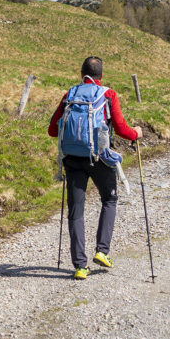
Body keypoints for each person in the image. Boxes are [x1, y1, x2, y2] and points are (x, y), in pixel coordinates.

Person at [48, 56, 142, 280]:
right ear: (101, 76)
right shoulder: (108, 94)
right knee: (109, 200)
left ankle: (80, 267)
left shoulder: (70, 94)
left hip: (72, 159)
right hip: (99, 157)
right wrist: (136, 133)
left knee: (75, 212)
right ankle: (102, 251)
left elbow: (53, 130)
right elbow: (120, 127)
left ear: (82, 74)